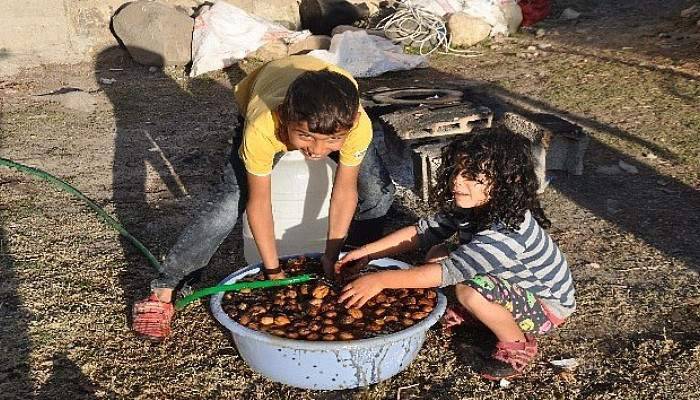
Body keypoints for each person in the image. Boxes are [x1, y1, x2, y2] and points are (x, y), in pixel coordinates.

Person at [132, 55, 395, 340]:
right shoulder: (264, 126)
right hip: (269, 93)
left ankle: (354, 262)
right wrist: (273, 270)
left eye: (331, 142)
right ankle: (165, 287)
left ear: (353, 122)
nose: (318, 151)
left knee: (378, 193)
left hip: (327, 106)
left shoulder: (355, 125)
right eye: (306, 137)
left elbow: (345, 191)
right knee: (228, 205)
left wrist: (333, 255)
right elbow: (259, 202)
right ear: (284, 118)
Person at [335, 129, 575, 380]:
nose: (457, 181)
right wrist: (368, 252)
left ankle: (516, 344)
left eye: (471, 176)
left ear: (507, 180)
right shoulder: (473, 207)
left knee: (469, 291)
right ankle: (479, 312)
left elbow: (447, 273)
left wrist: (381, 280)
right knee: (437, 252)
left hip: (546, 306)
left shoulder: (508, 231)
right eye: (456, 171)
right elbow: (422, 232)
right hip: (508, 283)